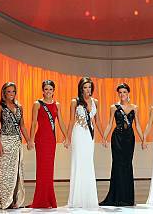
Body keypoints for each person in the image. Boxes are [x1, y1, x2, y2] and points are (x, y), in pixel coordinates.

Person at [0, 82, 30, 209]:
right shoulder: (0, 107)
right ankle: (4, 200)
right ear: (4, 93)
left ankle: (13, 200)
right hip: (5, 141)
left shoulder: (19, 107)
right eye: (9, 92)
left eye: (13, 92)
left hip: (16, 142)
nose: (11, 94)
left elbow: (22, 125)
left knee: (16, 172)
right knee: (4, 173)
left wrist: (28, 140)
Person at [100, 83, 145, 206]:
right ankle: (116, 197)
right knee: (117, 165)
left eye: (124, 92)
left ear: (128, 93)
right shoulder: (114, 107)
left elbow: (138, 125)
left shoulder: (135, 107)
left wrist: (143, 139)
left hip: (129, 139)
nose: (122, 94)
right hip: (117, 138)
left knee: (127, 165)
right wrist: (104, 137)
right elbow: (110, 124)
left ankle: (127, 198)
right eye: (120, 92)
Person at [28, 80, 68, 208]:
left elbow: (60, 121)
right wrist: (30, 140)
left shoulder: (57, 105)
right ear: (43, 90)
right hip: (41, 140)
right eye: (46, 89)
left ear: (53, 90)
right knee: (42, 169)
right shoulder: (37, 104)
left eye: (50, 89)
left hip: (51, 140)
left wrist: (67, 136)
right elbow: (34, 123)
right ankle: (40, 200)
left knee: (49, 170)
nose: (48, 92)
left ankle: (49, 199)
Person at [67, 77, 104, 209]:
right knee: (78, 162)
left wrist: (103, 136)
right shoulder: (75, 102)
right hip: (78, 134)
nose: (87, 89)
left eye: (89, 87)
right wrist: (67, 137)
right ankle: (77, 199)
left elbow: (98, 121)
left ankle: (88, 198)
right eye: (85, 87)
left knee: (88, 163)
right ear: (81, 88)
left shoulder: (96, 102)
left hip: (89, 135)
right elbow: (71, 120)